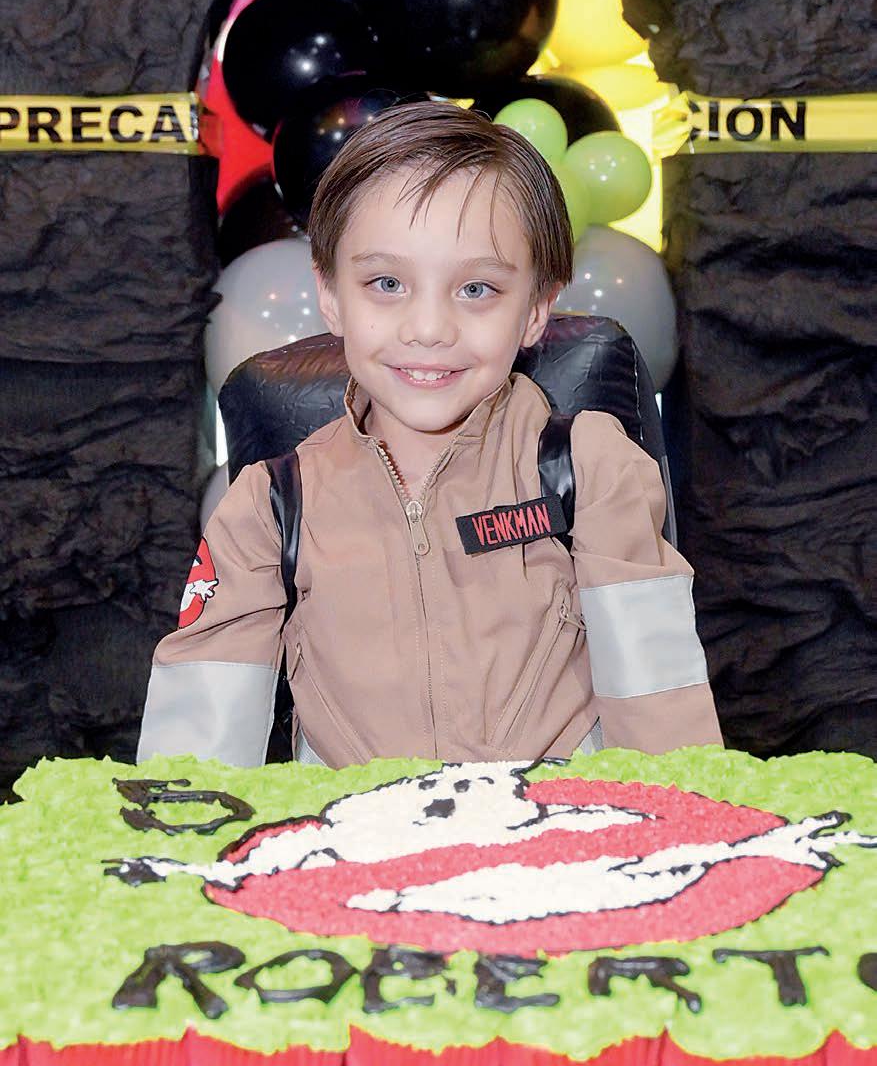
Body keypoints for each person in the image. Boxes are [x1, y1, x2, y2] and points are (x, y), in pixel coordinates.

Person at [138, 101, 722, 769]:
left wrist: (683, 820)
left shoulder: (590, 467)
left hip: (558, 824)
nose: (428, 329)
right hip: (349, 829)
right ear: (330, 294)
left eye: (476, 289)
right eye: (386, 283)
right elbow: (196, 753)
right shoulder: (266, 506)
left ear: (536, 306)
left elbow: (659, 702)